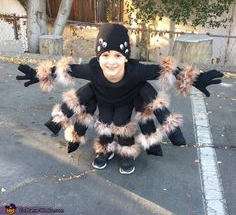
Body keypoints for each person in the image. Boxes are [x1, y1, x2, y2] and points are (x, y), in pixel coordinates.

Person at [16, 23, 223, 174]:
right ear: (99, 57)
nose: (111, 61)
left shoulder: (136, 71)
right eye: (105, 55)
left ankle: (126, 151)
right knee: (105, 122)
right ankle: (104, 149)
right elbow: (64, 69)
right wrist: (38, 74)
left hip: (126, 101)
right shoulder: (93, 70)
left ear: (125, 56)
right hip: (103, 100)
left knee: (121, 123)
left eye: (117, 55)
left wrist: (196, 79)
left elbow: (168, 71)